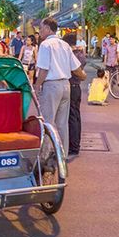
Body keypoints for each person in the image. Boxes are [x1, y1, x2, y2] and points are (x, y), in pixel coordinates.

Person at [35, 18, 86, 148]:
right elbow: (75, 67)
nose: (39, 31)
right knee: (62, 123)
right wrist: (83, 76)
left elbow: (44, 69)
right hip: (65, 85)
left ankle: (47, 155)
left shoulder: (46, 45)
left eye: (41, 28)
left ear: (47, 28)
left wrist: (36, 86)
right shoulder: (65, 45)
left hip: (51, 85)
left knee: (48, 121)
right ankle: (62, 154)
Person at [63, 33, 87, 156]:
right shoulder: (81, 54)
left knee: (71, 117)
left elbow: (74, 69)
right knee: (76, 116)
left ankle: (73, 146)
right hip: (77, 86)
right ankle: (76, 144)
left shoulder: (70, 54)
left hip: (71, 85)